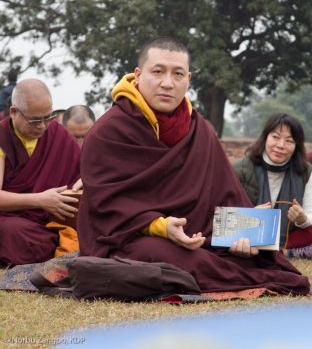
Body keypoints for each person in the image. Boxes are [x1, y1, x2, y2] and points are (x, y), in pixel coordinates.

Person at [78, 38, 309, 296]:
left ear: (188, 79)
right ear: (138, 75)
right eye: (158, 72)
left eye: (177, 74)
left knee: (252, 258)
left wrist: (247, 236)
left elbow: (224, 194)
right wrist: (160, 226)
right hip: (132, 236)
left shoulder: (200, 130)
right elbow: (105, 204)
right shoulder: (108, 132)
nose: (168, 83)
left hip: (199, 236)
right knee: (159, 255)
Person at [0, 79, 81, 265]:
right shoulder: (2, 138)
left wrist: (83, 180)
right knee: (12, 232)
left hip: (52, 221)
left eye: (48, 117)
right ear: (14, 112)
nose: (42, 126)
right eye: (35, 120)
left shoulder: (58, 134)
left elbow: (83, 170)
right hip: (13, 219)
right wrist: (40, 200)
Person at [233, 113, 312, 257]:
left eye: (289, 141)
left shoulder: (306, 171)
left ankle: (286, 251)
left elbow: (310, 214)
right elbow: (225, 217)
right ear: (265, 138)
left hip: (291, 238)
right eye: (275, 137)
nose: (281, 146)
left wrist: (302, 219)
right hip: (247, 237)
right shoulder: (240, 169)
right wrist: (251, 215)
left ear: (296, 146)